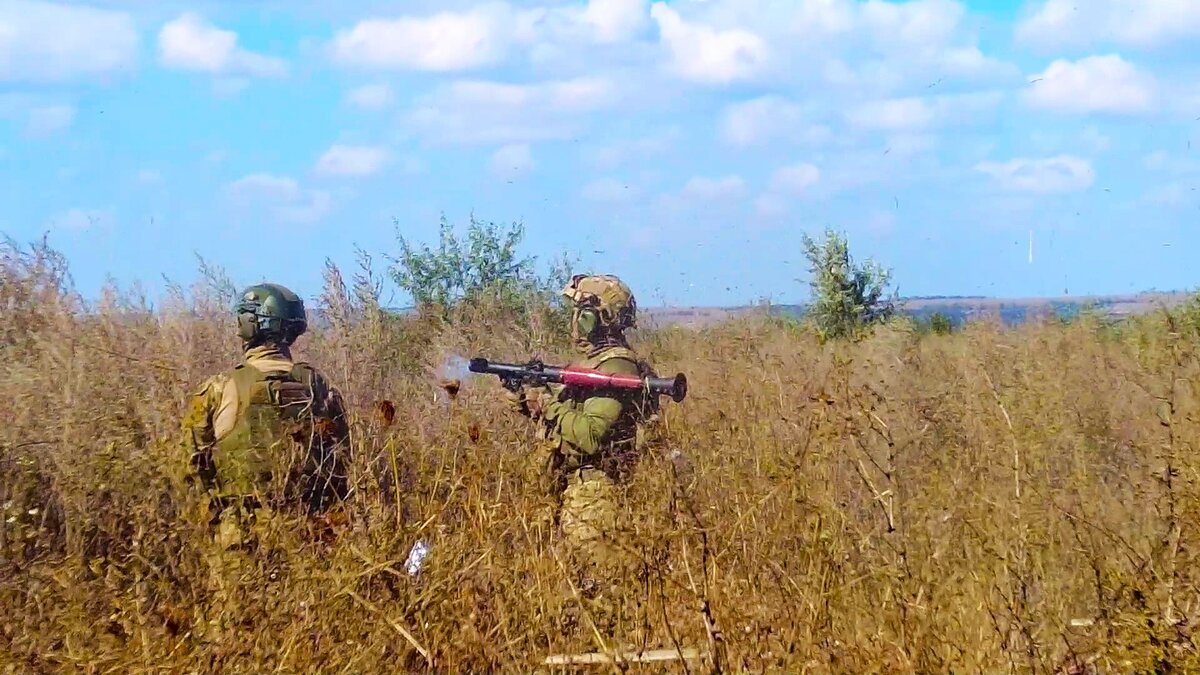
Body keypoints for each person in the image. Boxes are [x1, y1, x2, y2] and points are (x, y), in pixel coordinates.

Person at [179, 283, 351, 623]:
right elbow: (342, 468)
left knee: (236, 632)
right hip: (308, 534)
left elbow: (189, 468)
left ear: (249, 326)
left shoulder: (218, 389)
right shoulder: (320, 389)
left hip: (238, 536)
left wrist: (213, 517)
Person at [506, 273, 666, 625]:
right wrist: (525, 397)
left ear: (596, 317)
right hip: (574, 490)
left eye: (580, 310)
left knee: (599, 603)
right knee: (570, 597)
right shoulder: (595, 366)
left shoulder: (615, 368)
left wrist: (547, 403)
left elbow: (590, 435)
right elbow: (562, 425)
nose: (575, 320)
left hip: (596, 497)